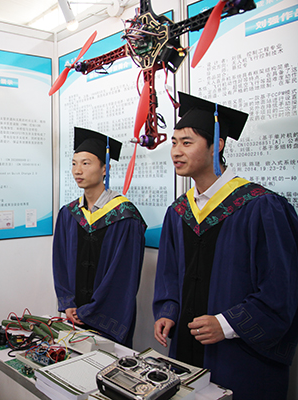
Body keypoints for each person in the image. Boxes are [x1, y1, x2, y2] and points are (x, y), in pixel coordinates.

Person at [153, 92, 298, 400]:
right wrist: (168, 310)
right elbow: (169, 274)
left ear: (217, 144)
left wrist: (227, 324)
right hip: (186, 350)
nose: (176, 151)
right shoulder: (179, 212)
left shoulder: (261, 207)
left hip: (240, 357)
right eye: (174, 142)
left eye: (187, 142)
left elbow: (282, 289)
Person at [53, 127, 146, 347]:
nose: (78, 170)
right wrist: (68, 303)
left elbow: (123, 277)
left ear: (105, 169)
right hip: (72, 315)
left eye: (86, 163)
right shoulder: (69, 214)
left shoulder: (125, 216)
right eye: (74, 163)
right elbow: (60, 263)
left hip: (106, 318)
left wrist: (90, 312)